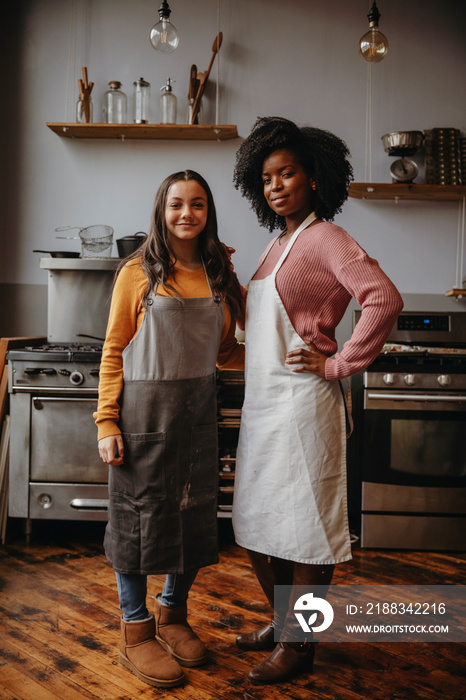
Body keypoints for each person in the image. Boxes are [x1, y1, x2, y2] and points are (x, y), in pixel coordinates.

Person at [231, 116, 403, 685]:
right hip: (265, 408)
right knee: (258, 524)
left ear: (314, 178)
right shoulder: (278, 243)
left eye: (287, 173)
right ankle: (286, 625)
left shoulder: (326, 236)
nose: (276, 185)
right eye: (267, 177)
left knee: (306, 530)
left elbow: (382, 298)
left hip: (305, 405)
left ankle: (299, 645)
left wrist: (339, 363)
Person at [95, 170, 244, 689]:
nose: (187, 214)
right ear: (162, 210)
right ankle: (135, 629)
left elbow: (227, 350)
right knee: (136, 523)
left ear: (209, 211)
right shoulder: (138, 272)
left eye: (197, 204)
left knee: (193, 518)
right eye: (176, 204)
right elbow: (113, 351)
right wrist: (106, 421)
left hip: (199, 416)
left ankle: (173, 614)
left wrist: (286, 362)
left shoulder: (220, 271)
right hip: (142, 418)